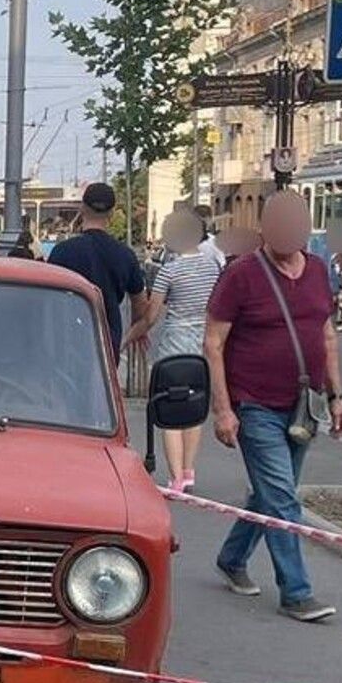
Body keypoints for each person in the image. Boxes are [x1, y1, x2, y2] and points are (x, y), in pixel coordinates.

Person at [205, 191, 342, 623]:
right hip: (255, 406)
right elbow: (213, 343)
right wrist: (223, 409)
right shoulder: (241, 275)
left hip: (303, 406)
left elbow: (327, 336)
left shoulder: (318, 271)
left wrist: (337, 396)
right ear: (264, 229)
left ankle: (232, 558)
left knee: (269, 495)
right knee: (283, 500)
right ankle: (296, 592)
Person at [123, 209, 220, 491]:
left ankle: (176, 477)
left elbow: (151, 316)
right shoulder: (213, 268)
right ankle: (189, 470)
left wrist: (130, 337)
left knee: (172, 409)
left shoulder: (169, 271)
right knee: (193, 406)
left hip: (174, 346)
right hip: (201, 345)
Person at [46, 182, 149, 356]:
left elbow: (49, 301)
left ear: (82, 208)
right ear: (111, 213)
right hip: (107, 342)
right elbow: (140, 303)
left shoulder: (62, 252)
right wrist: (135, 329)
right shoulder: (125, 255)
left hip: (66, 340)